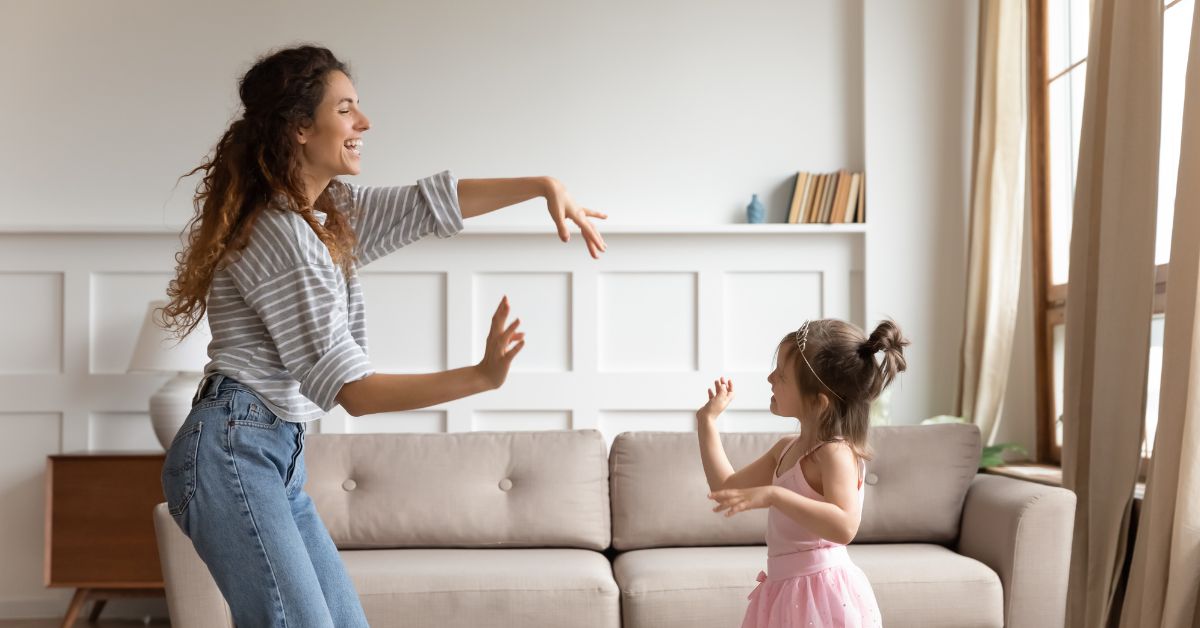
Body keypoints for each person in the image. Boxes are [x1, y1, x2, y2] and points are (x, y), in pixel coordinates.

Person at [158, 44, 606, 627]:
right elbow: (355, 392)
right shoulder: (283, 235)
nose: (363, 123)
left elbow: (427, 205)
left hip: (272, 450)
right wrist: (481, 376)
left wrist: (542, 185)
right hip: (234, 446)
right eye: (346, 109)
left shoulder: (325, 218)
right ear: (299, 127)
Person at [696, 318, 909, 627]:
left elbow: (845, 526)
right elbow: (726, 487)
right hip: (783, 591)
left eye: (781, 375)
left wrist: (775, 495)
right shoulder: (785, 449)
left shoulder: (835, 453)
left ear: (818, 402)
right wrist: (707, 422)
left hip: (821, 596)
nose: (769, 378)